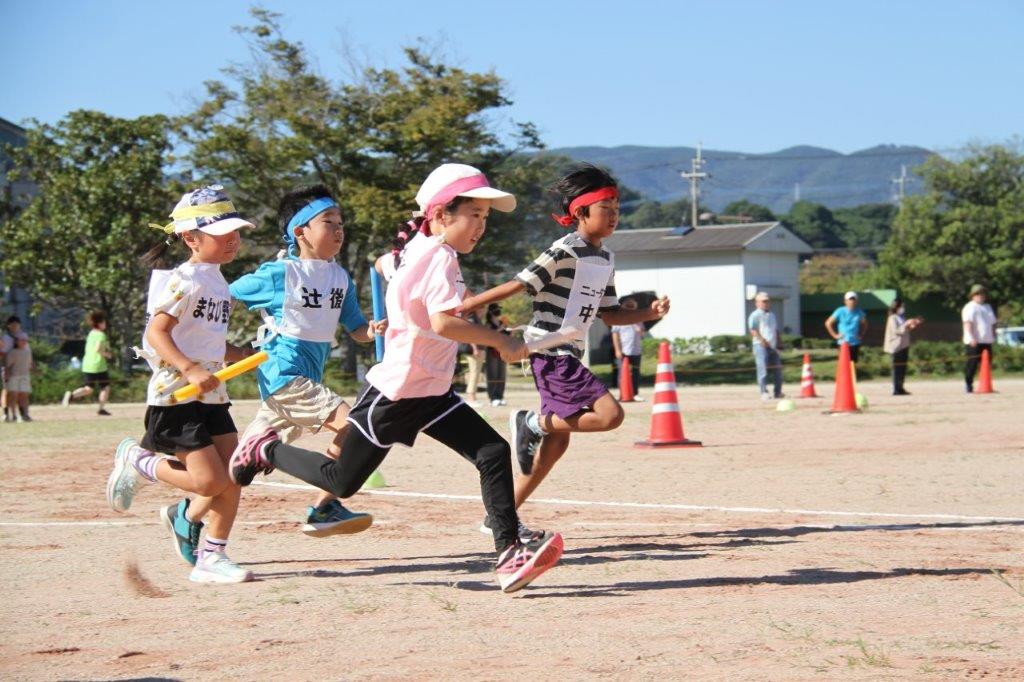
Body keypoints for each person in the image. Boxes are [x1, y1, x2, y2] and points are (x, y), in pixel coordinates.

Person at [228, 163, 564, 594]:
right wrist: (499, 340)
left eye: (485, 217)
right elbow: (443, 323)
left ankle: (508, 553)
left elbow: (401, 272)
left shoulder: (429, 250)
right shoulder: (438, 256)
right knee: (340, 481)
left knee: (492, 450)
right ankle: (265, 448)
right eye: (473, 215)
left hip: (433, 390)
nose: (481, 226)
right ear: (442, 215)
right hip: (399, 391)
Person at [461, 163, 670, 529]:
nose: (614, 217)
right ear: (580, 212)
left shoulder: (606, 259)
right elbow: (517, 284)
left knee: (555, 448)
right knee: (610, 416)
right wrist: (465, 306)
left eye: (617, 210)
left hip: (570, 354)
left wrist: (648, 313)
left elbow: (609, 314)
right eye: (606, 209)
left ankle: (499, 516)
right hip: (549, 352)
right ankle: (531, 421)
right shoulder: (563, 251)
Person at [104, 185, 256, 584]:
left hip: (213, 394)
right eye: (223, 235)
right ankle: (140, 460)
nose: (233, 241)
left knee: (234, 474)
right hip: (177, 395)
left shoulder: (219, 283)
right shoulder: (183, 280)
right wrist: (189, 368)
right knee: (211, 481)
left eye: (236, 233)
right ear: (191, 238)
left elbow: (205, 338)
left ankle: (212, 557)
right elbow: (156, 333)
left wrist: (238, 352)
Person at [229, 184, 384, 538]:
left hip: (307, 378)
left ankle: (188, 515)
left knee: (236, 472)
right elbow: (223, 295)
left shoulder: (339, 277)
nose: (339, 230)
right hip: (283, 373)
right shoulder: (280, 274)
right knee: (356, 427)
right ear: (300, 232)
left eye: (341, 223)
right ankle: (324, 505)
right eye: (329, 222)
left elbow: (356, 328)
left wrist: (373, 330)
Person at [62, 310, 114, 415]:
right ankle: (101, 408)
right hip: (98, 365)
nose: (105, 324)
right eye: (104, 322)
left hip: (87, 364)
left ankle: (71, 395)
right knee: (105, 387)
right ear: (99, 324)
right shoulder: (100, 335)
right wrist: (108, 355)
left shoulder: (91, 333)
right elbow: (98, 349)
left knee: (89, 388)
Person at [747, 292, 784, 400]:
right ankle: (764, 392)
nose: (766, 303)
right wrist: (761, 340)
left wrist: (779, 341)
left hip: (772, 345)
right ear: (757, 303)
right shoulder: (755, 315)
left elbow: (775, 329)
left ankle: (778, 392)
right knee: (763, 369)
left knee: (777, 369)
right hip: (760, 346)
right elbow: (753, 329)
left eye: (767, 301)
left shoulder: (772, 315)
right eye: (763, 301)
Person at [961, 283, 997, 393]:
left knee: (986, 364)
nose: (980, 296)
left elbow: (992, 323)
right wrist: (971, 337)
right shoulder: (970, 307)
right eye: (977, 294)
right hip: (974, 341)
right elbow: (967, 323)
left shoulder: (987, 307)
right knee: (972, 364)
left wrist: (994, 334)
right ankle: (968, 384)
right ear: (972, 295)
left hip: (986, 340)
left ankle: (985, 384)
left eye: (982, 294)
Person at [883, 297, 923, 396]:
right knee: (896, 369)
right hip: (895, 347)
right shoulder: (892, 318)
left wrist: (912, 325)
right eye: (901, 306)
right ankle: (896, 389)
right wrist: (907, 323)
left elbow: (904, 330)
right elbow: (897, 331)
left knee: (903, 368)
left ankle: (901, 387)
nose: (903, 308)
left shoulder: (901, 317)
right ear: (896, 307)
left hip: (904, 345)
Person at [610, 299, 645, 400]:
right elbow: (615, 335)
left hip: (636, 350)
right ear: (623, 306)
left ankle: (635, 393)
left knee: (635, 372)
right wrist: (617, 350)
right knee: (622, 372)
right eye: (628, 306)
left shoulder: (638, 319)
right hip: (624, 350)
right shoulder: (618, 319)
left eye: (632, 306)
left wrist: (640, 330)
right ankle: (622, 393)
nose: (630, 308)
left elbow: (642, 334)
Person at [825, 291, 868, 363]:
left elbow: (865, 324)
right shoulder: (840, 311)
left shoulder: (859, 312)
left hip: (855, 343)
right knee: (844, 364)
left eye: (854, 300)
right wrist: (835, 335)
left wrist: (861, 334)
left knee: (853, 364)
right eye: (850, 300)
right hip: (843, 342)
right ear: (845, 301)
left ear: (856, 301)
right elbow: (828, 323)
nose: (852, 302)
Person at [3, 334, 34, 422]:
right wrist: (7, 375)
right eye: (21, 340)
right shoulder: (12, 352)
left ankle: (25, 414)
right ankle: (13, 415)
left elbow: (30, 364)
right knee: (14, 396)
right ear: (16, 341)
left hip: (25, 375)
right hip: (14, 376)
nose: (24, 342)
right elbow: (7, 366)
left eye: (25, 340)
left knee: (24, 395)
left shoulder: (28, 352)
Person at [484, 303, 510, 406]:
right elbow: (489, 335)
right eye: (496, 309)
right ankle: (493, 397)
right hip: (492, 351)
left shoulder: (501, 322)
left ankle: (500, 396)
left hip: (502, 351)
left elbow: (508, 335)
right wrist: (500, 328)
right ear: (491, 311)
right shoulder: (488, 324)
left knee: (501, 374)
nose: (498, 311)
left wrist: (507, 328)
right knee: (492, 374)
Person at [460, 309, 485, 408]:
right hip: (474, 351)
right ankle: (471, 397)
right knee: (474, 373)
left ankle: (472, 396)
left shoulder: (475, 319)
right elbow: (470, 335)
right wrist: (475, 348)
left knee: (475, 373)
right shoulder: (471, 319)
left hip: (478, 349)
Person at [1, 316, 24, 422]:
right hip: (7, 366)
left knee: (18, 391)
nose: (15, 327)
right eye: (13, 324)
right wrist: (6, 369)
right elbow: (3, 354)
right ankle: (6, 413)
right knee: (7, 390)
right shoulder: (5, 338)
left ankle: (20, 414)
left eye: (17, 324)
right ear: (8, 325)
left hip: (19, 367)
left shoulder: (22, 336)